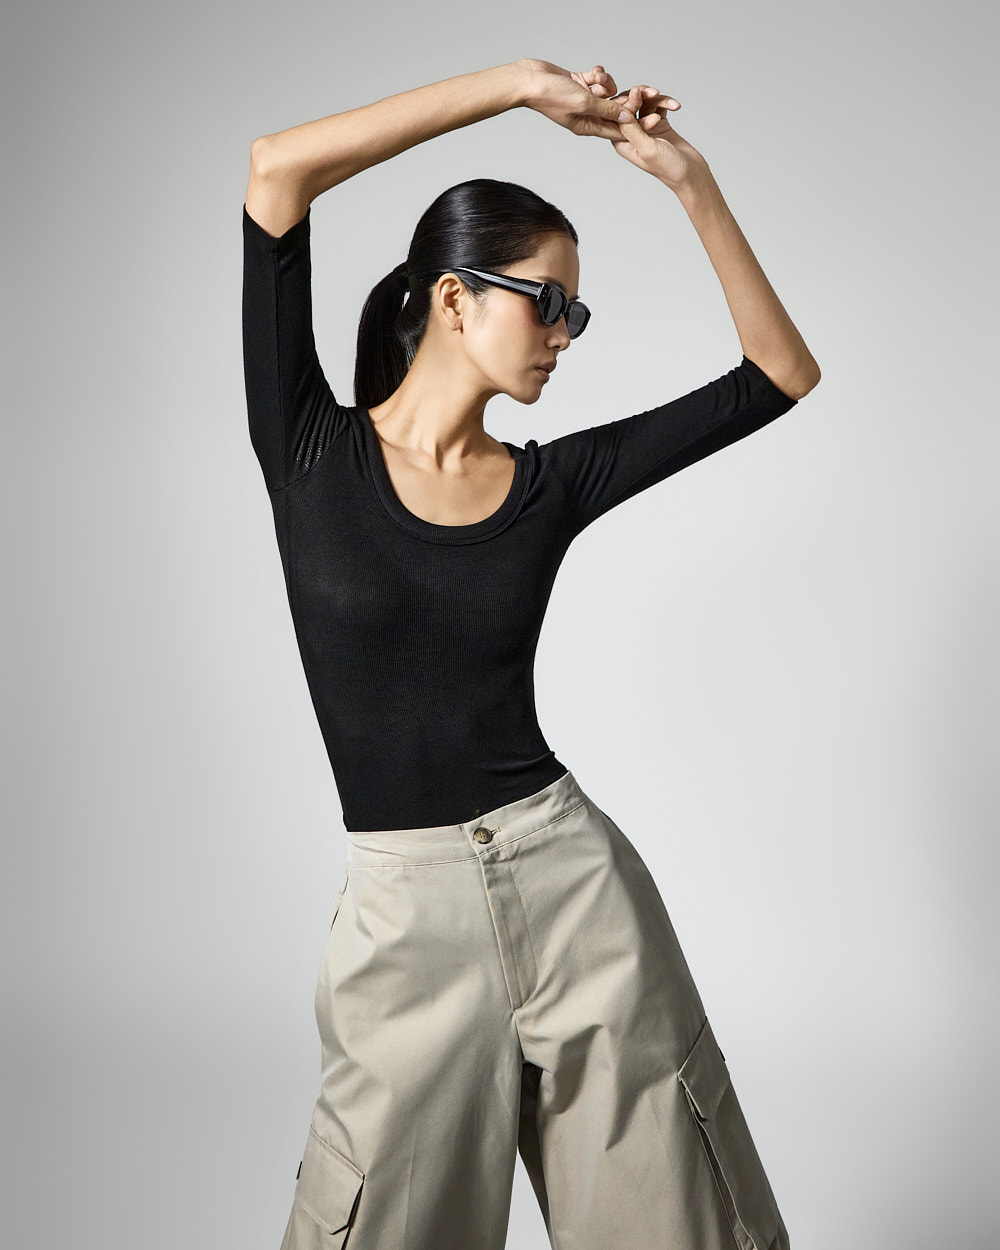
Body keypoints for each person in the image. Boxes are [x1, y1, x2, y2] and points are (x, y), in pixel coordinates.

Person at [242, 57, 819, 1250]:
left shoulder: (549, 483)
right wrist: (516, 87)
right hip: (405, 922)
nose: (564, 333)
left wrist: (689, 181)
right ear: (454, 297)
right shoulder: (310, 451)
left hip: (579, 898)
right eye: (546, 300)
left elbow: (778, 375)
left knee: (681, 1227)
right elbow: (277, 169)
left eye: (576, 312)